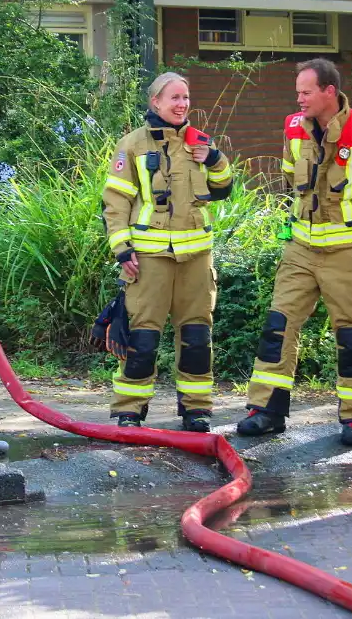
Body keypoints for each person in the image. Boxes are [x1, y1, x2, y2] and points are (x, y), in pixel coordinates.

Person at [236, 58, 352, 446]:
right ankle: (267, 411)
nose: (299, 99)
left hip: (349, 253)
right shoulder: (294, 128)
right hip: (301, 249)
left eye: (305, 91)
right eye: (297, 92)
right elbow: (288, 176)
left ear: (330, 91)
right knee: (279, 326)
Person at [99, 71, 235, 432]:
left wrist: (215, 158)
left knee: (196, 337)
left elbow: (223, 189)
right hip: (149, 259)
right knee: (141, 338)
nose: (182, 104)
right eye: (174, 98)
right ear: (155, 102)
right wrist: (122, 249)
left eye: (186, 98)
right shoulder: (132, 144)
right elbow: (115, 203)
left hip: (196, 259)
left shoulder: (201, 142)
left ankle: (197, 410)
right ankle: (129, 409)